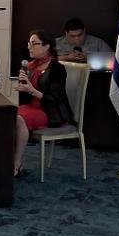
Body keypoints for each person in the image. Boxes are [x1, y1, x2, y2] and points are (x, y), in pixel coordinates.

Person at [13, 30, 75, 177]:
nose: (29, 47)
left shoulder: (57, 69)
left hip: (49, 111)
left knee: (18, 119)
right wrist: (23, 87)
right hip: (31, 107)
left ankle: (16, 165)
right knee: (6, 114)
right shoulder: (31, 66)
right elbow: (26, 98)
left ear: (46, 46)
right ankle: (3, 160)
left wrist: (32, 90)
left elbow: (55, 99)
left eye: (34, 44)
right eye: (29, 43)